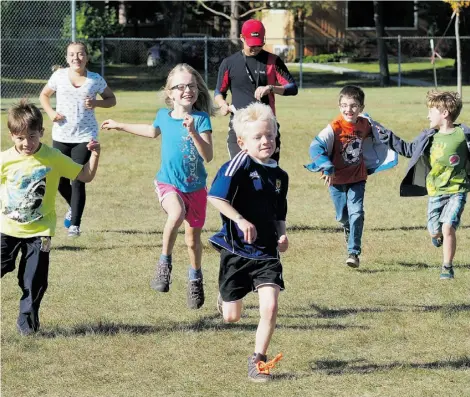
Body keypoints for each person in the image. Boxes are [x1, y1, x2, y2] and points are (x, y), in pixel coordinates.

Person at [101, 63, 215, 310]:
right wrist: (120, 125)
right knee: (176, 213)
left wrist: (194, 132)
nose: (187, 90)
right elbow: (151, 131)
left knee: (193, 241)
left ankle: (195, 277)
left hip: (195, 188)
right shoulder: (163, 116)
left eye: (192, 86)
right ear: (170, 93)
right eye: (181, 87)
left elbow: (208, 156)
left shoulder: (201, 119)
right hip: (168, 183)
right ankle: (164, 264)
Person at [1, 100, 101, 335]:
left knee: (35, 281)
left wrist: (94, 155)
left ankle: (28, 326)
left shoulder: (53, 157)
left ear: (42, 133)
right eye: (20, 138)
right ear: (11, 136)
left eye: (32, 136)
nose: (27, 143)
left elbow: (85, 176)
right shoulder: (4, 159)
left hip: (40, 232)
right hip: (7, 229)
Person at [208, 102, 288, 382]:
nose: (265, 141)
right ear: (242, 142)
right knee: (232, 317)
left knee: (270, 306)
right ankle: (225, 296)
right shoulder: (238, 164)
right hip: (237, 251)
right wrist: (240, 220)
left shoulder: (279, 175)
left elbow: (279, 210)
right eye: (258, 137)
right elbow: (215, 197)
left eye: (269, 135)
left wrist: (282, 232)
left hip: (266, 252)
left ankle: (258, 361)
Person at [377, 90, 469, 280]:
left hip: (457, 190)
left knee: (448, 227)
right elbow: (409, 149)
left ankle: (447, 267)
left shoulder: (463, 134)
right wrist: (387, 135)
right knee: (435, 230)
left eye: (431, 111)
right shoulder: (429, 136)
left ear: (444, 113)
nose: (428, 115)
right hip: (435, 192)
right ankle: (437, 237)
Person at [305, 85, 398, 268]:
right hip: (336, 180)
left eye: (354, 106)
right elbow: (315, 147)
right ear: (339, 106)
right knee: (343, 217)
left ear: (361, 108)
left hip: (357, 177)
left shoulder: (365, 124)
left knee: (357, 213)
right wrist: (326, 165)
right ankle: (348, 228)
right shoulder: (334, 127)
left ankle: (353, 252)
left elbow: (380, 135)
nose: (349, 110)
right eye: (345, 105)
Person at [39, 41, 116, 238]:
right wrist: (50, 112)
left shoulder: (95, 79)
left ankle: (75, 225)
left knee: (78, 179)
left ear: (86, 57)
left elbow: (111, 99)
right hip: (61, 135)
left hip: (85, 136)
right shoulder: (59, 76)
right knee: (58, 179)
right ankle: (73, 207)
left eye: (80, 54)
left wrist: (96, 102)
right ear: (67, 58)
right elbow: (44, 95)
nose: (76, 58)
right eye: (72, 54)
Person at [214, 19, 298, 162]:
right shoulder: (229, 63)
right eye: (251, 45)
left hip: (267, 125)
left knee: (268, 174)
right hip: (240, 126)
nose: (255, 48)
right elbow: (218, 92)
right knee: (240, 174)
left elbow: (292, 87)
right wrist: (222, 105)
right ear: (242, 38)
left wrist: (271, 88)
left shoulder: (273, 61)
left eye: (259, 44)